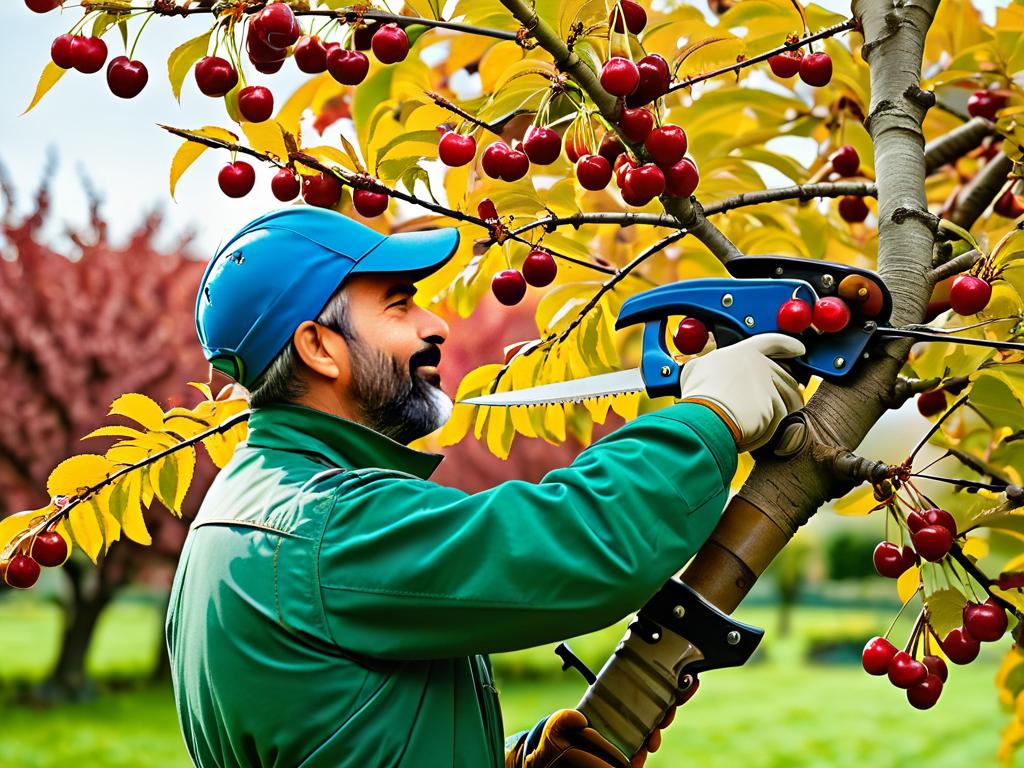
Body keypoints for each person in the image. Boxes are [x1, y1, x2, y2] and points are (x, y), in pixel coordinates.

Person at [167, 207, 805, 768]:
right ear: (319, 348)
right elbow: (578, 541)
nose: (434, 324)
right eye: (399, 303)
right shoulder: (324, 526)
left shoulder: (242, 512)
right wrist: (709, 419)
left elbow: (324, 733)